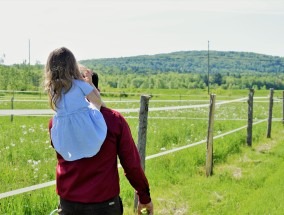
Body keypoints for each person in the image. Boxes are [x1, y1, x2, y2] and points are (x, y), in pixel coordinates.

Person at [48, 64, 154, 215]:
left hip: (68, 205)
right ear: (96, 91)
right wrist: (144, 196)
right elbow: (131, 164)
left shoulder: (56, 122)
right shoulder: (114, 121)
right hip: (104, 205)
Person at [44, 47, 107, 161]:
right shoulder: (78, 84)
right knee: (95, 107)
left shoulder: (53, 88)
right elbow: (97, 101)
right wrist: (89, 83)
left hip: (64, 129)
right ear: (73, 65)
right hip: (84, 124)